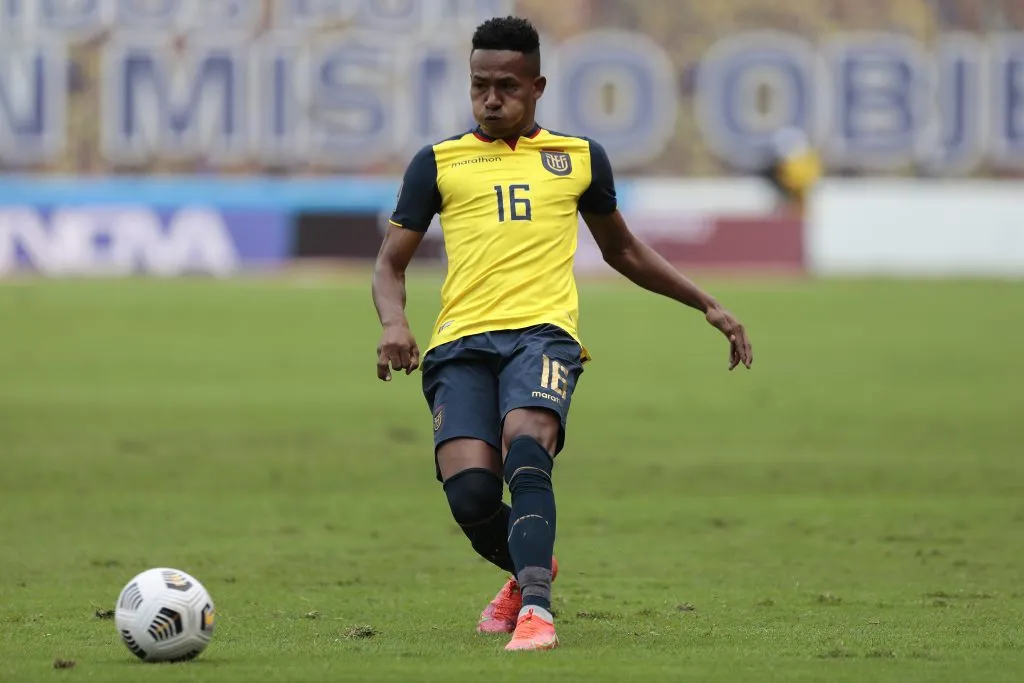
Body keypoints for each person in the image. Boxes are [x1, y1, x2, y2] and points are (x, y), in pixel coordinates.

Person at [372, 15, 753, 652]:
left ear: (537, 86)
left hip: (542, 338)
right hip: (459, 345)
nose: (491, 98)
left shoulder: (578, 158)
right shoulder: (437, 163)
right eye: (479, 86)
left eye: (506, 87)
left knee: (527, 448)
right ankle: (531, 568)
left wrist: (706, 304)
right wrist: (393, 322)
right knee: (469, 495)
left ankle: (538, 614)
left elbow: (623, 250)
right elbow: (390, 262)